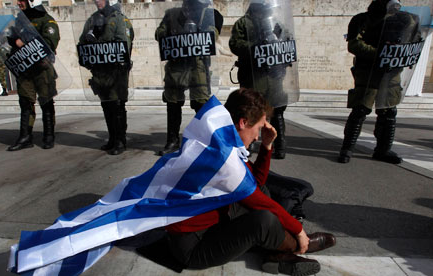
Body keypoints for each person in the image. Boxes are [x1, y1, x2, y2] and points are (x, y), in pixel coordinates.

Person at [165, 89, 336, 275]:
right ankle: (295, 248)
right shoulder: (222, 157)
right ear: (243, 122)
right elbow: (255, 199)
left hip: (211, 224)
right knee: (263, 220)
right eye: (258, 129)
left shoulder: (223, 139)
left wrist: (266, 146)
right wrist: (299, 232)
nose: (257, 136)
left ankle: (276, 253)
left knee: (262, 191)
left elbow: (256, 182)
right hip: (193, 246)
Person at [338, 0, 422, 164]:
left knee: (389, 113)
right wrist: (381, 53)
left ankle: (383, 150)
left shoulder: (405, 19)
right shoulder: (362, 19)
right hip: (368, 72)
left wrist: (404, 51)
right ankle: (347, 149)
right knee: (360, 110)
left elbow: (414, 40)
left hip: (391, 73)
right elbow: (354, 44)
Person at [155, 0, 223, 156]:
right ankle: (172, 141)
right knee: (173, 103)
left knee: (200, 104)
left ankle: (203, 141)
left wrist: (199, 31)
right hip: (176, 64)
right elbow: (159, 33)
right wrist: (172, 33)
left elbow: (212, 34)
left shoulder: (209, 14)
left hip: (197, 66)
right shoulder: (171, 14)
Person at [229, 0, 296, 160]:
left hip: (273, 75)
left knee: (277, 110)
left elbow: (286, 39)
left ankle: (280, 145)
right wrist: (255, 45)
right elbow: (235, 44)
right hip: (253, 75)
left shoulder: (275, 21)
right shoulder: (243, 23)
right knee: (251, 108)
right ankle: (248, 143)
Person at [79, 0, 134, 155]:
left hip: (116, 72)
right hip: (99, 72)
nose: (98, 1)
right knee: (106, 106)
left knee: (117, 105)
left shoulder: (119, 19)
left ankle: (120, 141)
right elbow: (82, 42)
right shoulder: (92, 19)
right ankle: (112, 138)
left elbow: (124, 43)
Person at [7, 0, 60, 151]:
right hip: (25, 68)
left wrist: (25, 44)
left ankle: (49, 135)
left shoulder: (46, 20)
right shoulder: (20, 19)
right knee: (25, 102)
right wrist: (14, 40)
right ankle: (25, 136)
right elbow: (12, 36)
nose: (18, 3)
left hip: (42, 69)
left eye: (22, 0)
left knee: (46, 101)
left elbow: (50, 43)